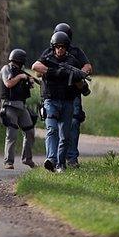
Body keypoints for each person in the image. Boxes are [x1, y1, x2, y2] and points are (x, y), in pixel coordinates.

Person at [32, 31, 87, 173]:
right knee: (52, 129)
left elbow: (81, 84)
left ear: (66, 47)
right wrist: (55, 72)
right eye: (57, 46)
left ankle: (60, 164)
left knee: (65, 135)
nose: (60, 49)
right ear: (54, 47)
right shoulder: (48, 57)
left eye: (62, 47)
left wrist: (76, 77)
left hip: (67, 101)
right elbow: (35, 67)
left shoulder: (73, 62)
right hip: (51, 100)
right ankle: (51, 159)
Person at [52, 22, 93, 168]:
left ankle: (72, 157)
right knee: (54, 127)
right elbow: (39, 68)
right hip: (54, 93)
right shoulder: (51, 52)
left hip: (72, 93)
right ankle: (55, 159)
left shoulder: (76, 51)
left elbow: (88, 66)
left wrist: (77, 73)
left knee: (74, 123)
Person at [0, 49, 36, 169]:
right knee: (12, 133)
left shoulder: (22, 72)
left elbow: (29, 87)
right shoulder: (6, 69)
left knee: (30, 131)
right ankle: (8, 161)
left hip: (21, 105)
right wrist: (21, 77)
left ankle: (27, 159)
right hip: (10, 105)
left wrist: (29, 81)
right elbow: (8, 84)